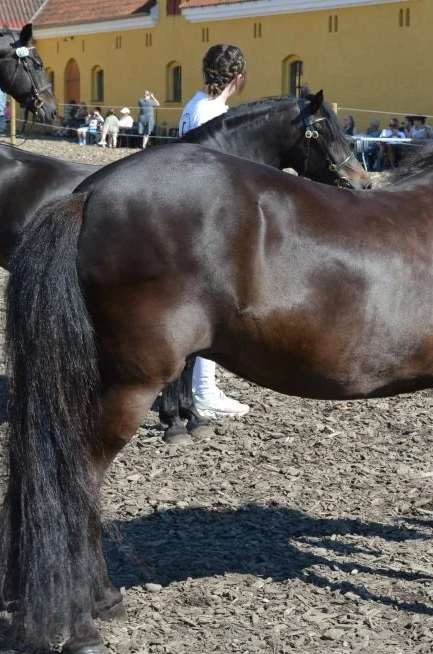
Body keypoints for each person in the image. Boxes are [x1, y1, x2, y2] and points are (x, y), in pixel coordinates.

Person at [177, 44, 250, 418]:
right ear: (237, 79)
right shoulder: (216, 115)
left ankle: (196, 385)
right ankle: (204, 390)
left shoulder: (192, 107)